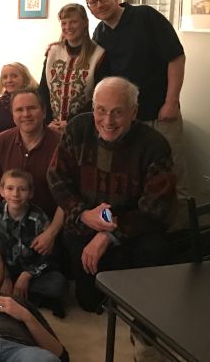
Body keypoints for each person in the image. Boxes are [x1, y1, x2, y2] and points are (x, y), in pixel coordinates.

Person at [47, 77, 177, 313]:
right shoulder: (77, 128)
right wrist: (83, 214)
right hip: (85, 225)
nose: (108, 121)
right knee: (89, 303)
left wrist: (109, 235)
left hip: (134, 232)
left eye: (118, 112)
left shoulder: (154, 145)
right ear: (93, 108)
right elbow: (57, 178)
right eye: (101, 110)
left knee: (154, 251)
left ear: (133, 112)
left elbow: (157, 208)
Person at [85, 0, 187, 201]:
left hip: (161, 114)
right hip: (127, 121)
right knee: (137, 179)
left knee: (172, 177)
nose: (100, 5)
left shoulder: (145, 17)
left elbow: (176, 58)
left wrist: (171, 101)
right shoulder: (100, 34)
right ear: (90, 9)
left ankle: (180, 223)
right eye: (93, 2)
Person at [0, 89, 64, 257]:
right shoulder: (2, 141)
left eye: (31, 108)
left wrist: (51, 233)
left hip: (48, 228)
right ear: (13, 115)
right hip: (8, 226)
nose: (26, 114)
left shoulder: (61, 144)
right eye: (19, 110)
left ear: (44, 112)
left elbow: (69, 197)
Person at [0, 169, 67, 318]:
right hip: (4, 270)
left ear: (30, 193)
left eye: (22, 189)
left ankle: (21, 293)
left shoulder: (39, 217)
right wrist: (5, 276)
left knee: (58, 284)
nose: (15, 194)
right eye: (10, 188)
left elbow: (47, 256)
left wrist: (27, 275)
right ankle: (31, 298)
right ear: (2, 191)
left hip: (31, 273)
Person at [38, 3, 107, 133]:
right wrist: (47, 122)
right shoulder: (53, 52)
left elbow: (99, 98)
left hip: (84, 127)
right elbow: (43, 90)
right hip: (52, 127)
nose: (68, 27)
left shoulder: (98, 54)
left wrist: (71, 122)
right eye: (64, 23)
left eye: (73, 22)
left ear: (85, 22)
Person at [0, 62, 38, 161]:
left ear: (25, 78)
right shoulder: (0, 103)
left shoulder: (35, 99)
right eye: (5, 77)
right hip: (4, 147)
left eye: (14, 76)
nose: (9, 80)